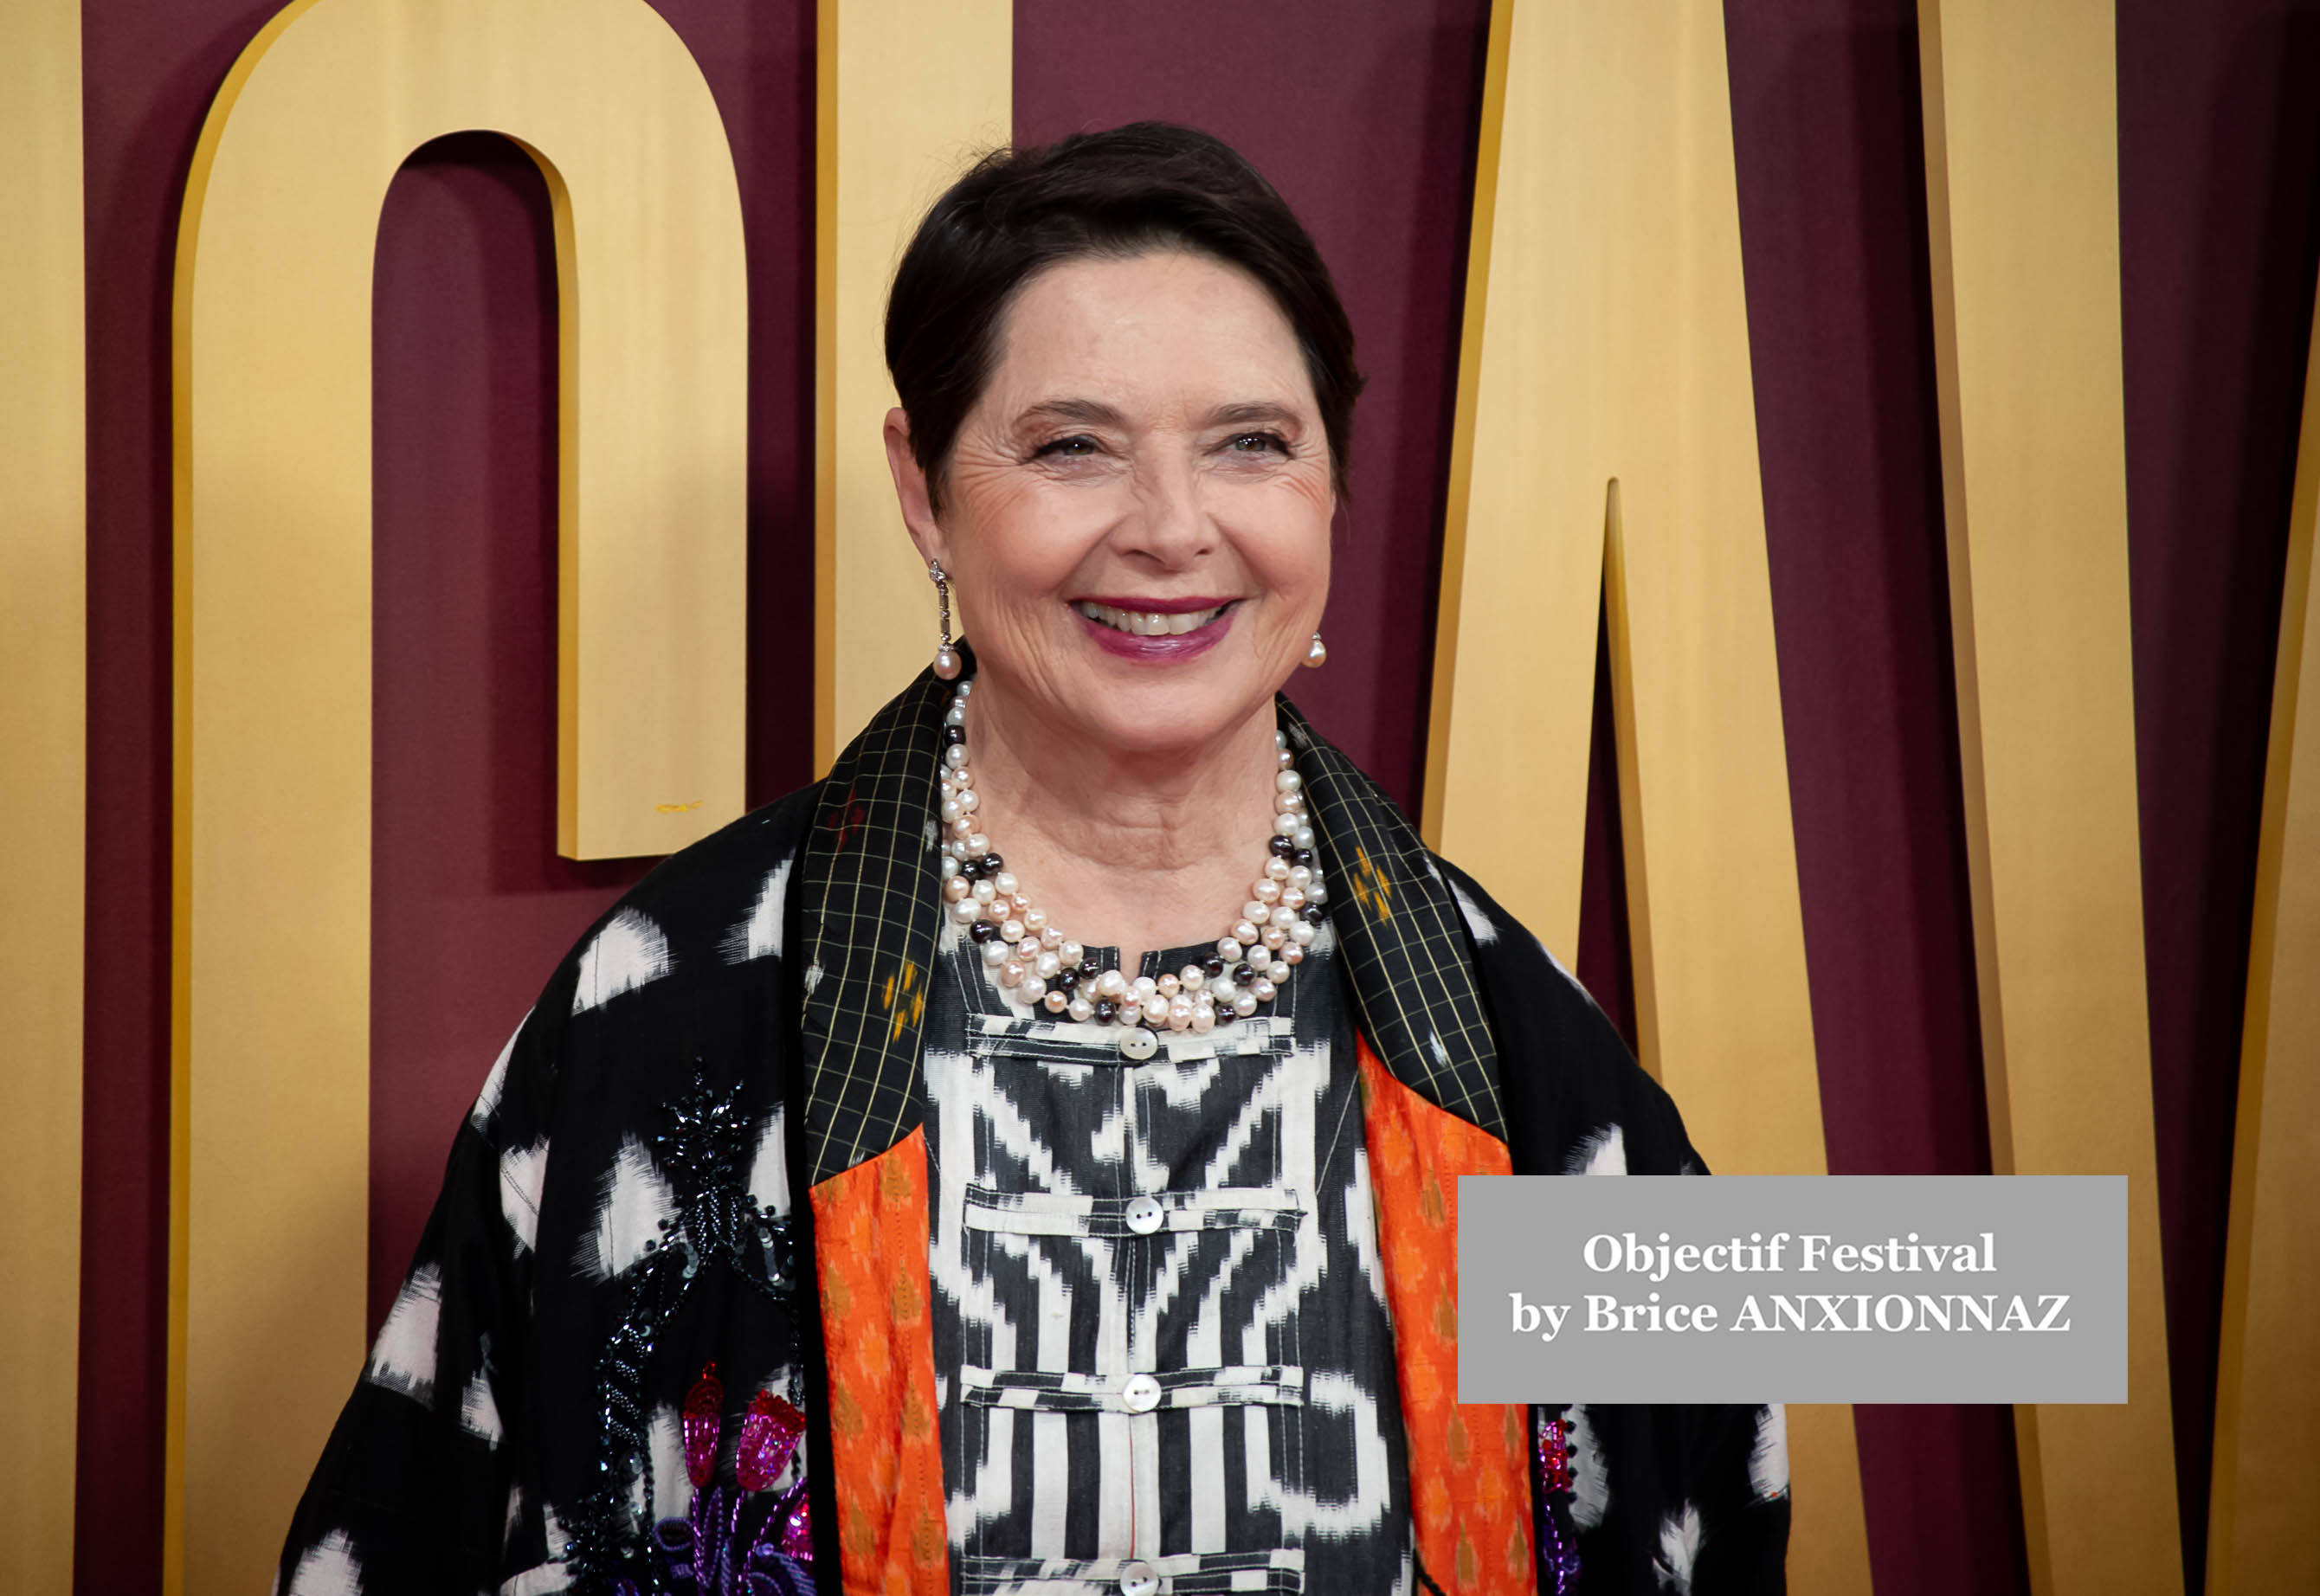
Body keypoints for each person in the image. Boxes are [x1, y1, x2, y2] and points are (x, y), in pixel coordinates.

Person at [279, 121, 1789, 1596]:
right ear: (924, 490)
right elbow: (410, 1529)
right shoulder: (668, 1006)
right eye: (1074, 448)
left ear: (1330, 487)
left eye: (1253, 445)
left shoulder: (1509, 1034)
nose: (1173, 529)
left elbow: (1722, 1488)